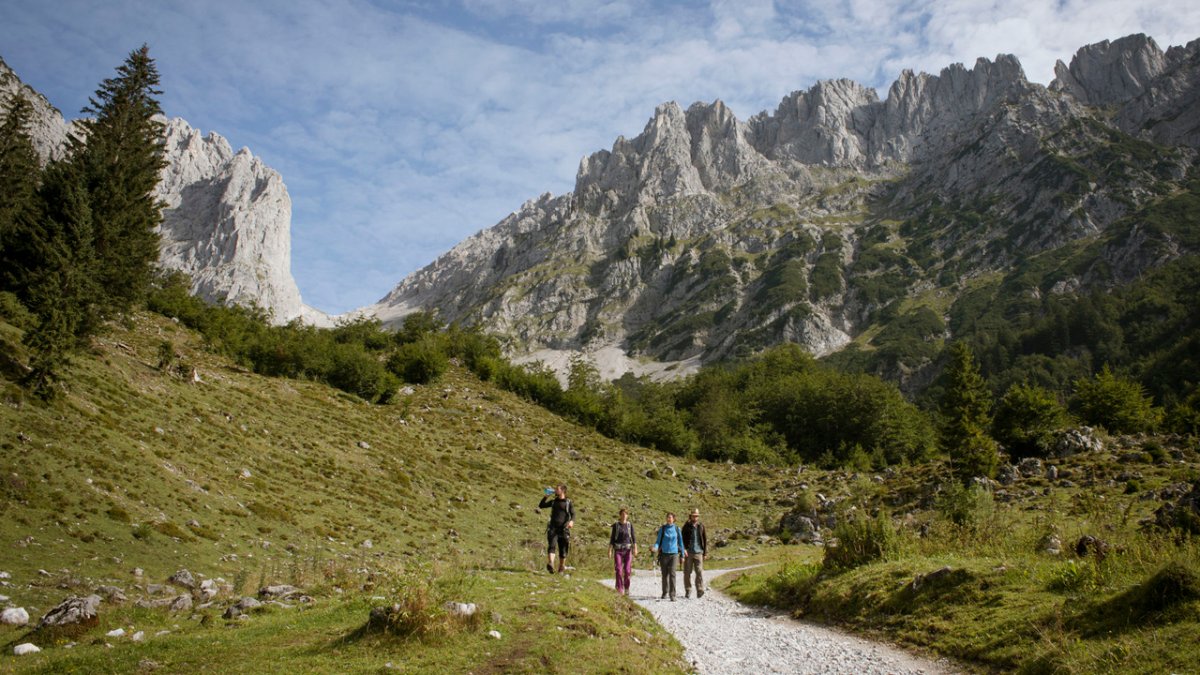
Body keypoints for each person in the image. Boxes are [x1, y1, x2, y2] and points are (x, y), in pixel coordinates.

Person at [538, 484, 574, 574]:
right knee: (552, 546)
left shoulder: (568, 502)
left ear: (562, 491)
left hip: (564, 529)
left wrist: (571, 521)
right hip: (553, 528)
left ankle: (561, 567)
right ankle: (551, 564)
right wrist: (546, 495)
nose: (555, 490)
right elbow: (541, 505)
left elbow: (573, 514)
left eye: (557, 489)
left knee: (563, 550)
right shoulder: (554, 502)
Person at [651, 512, 683, 601]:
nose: (669, 519)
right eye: (667, 517)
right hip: (664, 554)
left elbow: (680, 543)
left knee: (672, 574)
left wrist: (683, 555)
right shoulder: (663, 529)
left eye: (670, 517)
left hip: (674, 554)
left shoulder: (677, 529)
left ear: (673, 519)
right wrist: (655, 548)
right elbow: (658, 541)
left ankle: (672, 595)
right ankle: (665, 592)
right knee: (664, 574)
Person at [608, 508, 638, 595]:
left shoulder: (629, 525)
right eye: (622, 514)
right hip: (618, 550)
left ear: (627, 515)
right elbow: (612, 539)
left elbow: (633, 538)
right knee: (618, 569)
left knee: (628, 570)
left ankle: (627, 587)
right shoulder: (616, 525)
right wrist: (609, 550)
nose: (624, 515)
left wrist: (635, 549)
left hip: (628, 550)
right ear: (620, 515)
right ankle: (619, 588)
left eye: (625, 514)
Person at [681, 507, 708, 598]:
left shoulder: (701, 526)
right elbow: (682, 539)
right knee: (687, 572)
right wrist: (683, 550)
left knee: (699, 571)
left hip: (699, 552)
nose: (695, 518)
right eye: (693, 516)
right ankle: (688, 590)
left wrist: (705, 553)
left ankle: (700, 590)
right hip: (688, 552)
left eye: (696, 516)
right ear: (691, 516)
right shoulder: (686, 526)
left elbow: (704, 539)